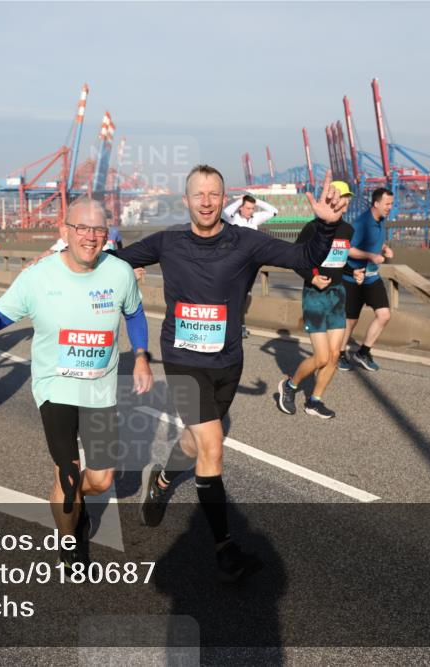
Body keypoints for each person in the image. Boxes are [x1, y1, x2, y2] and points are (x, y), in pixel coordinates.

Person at [115, 165, 346, 583]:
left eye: (214, 194)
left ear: (226, 200)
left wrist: (326, 228)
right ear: (186, 200)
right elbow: (110, 261)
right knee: (213, 448)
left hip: (227, 362)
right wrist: (65, 257)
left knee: (193, 441)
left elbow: (302, 258)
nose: (206, 201)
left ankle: (164, 478)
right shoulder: (167, 242)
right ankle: (224, 548)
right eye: (198, 194)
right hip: (183, 361)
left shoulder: (247, 242)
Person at [0, 198, 152, 570]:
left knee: (101, 480)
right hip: (55, 387)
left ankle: (74, 501)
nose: (90, 237)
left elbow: (135, 312)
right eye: (82, 228)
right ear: (64, 231)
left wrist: (141, 355)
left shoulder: (120, 273)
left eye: (98, 230)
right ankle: (69, 539)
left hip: (99, 389)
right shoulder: (38, 276)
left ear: (106, 235)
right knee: (67, 480)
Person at [276, 182, 364, 419]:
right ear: (331, 197)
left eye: (347, 197)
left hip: (337, 295)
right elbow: (295, 259)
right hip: (315, 296)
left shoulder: (347, 229)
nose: (344, 201)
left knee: (335, 355)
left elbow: (338, 260)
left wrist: (352, 271)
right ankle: (290, 386)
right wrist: (312, 279)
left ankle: (314, 400)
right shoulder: (312, 228)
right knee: (322, 357)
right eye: (341, 196)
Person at [338, 187, 395, 372]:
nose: (390, 207)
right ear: (376, 204)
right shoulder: (361, 222)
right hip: (353, 278)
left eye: (391, 204)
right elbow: (348, 249)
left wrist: (384, 248)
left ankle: (363, 352)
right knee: (350, 321)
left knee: (384, 315)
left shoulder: (381, 219)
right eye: (387, 204)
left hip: (371, 277)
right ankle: (339, 354)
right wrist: (371, 255)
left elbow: (374, 240)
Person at [223, 195, 279, 338]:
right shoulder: (234, 218)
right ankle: (232, 325)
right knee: (234, 295)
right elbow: (226, 211)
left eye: (252, 208)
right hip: (234, 263)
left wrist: (257, 201)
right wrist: (239, 200)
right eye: (247, 208)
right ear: (241, 207)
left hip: (250, 264)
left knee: (245, 295)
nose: (250, 211)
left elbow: (274, 211)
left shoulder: (255, 218)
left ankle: (239, 326)